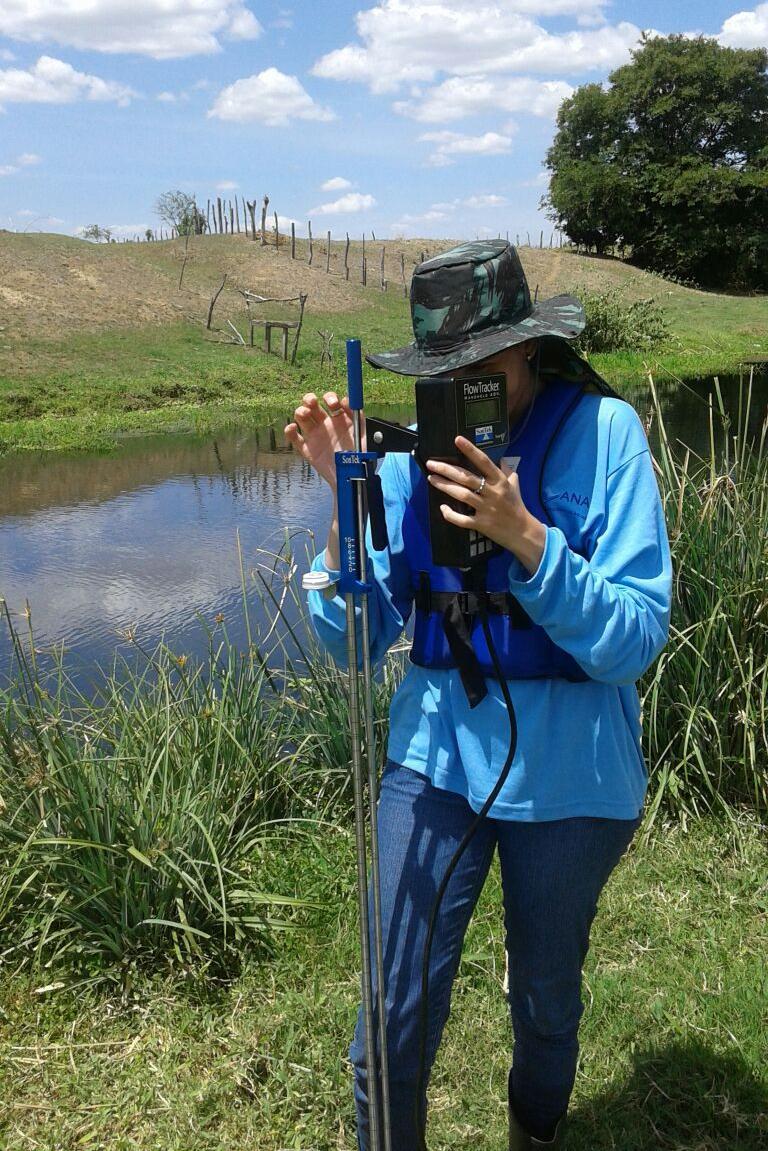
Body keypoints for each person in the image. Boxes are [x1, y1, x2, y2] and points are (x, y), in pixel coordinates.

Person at [285, 241, 672, 1151]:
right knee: (392, 1006)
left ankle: (534, 1130)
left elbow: (634, 639)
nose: (462, 387)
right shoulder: (401, 455)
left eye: (482, 367)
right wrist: (345, 504)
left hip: (573, 783)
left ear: (531, 350)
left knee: (544, 995)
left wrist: (527, 541)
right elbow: (352, 642)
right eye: (442, 370)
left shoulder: (604, 436)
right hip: (434, 762)